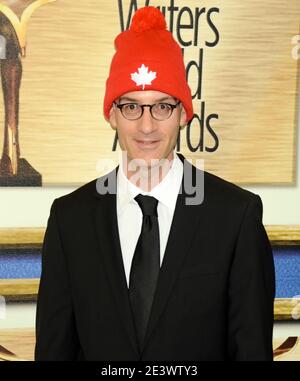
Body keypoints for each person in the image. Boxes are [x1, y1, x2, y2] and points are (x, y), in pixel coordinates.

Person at [35, 6, 275, 361]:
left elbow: (252, 351)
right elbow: (55, 352)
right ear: (112, 114)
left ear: (183, 112)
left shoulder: (235, 215)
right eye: (132, 107)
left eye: (162, 106)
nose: (147, 126)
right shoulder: (70, 219)